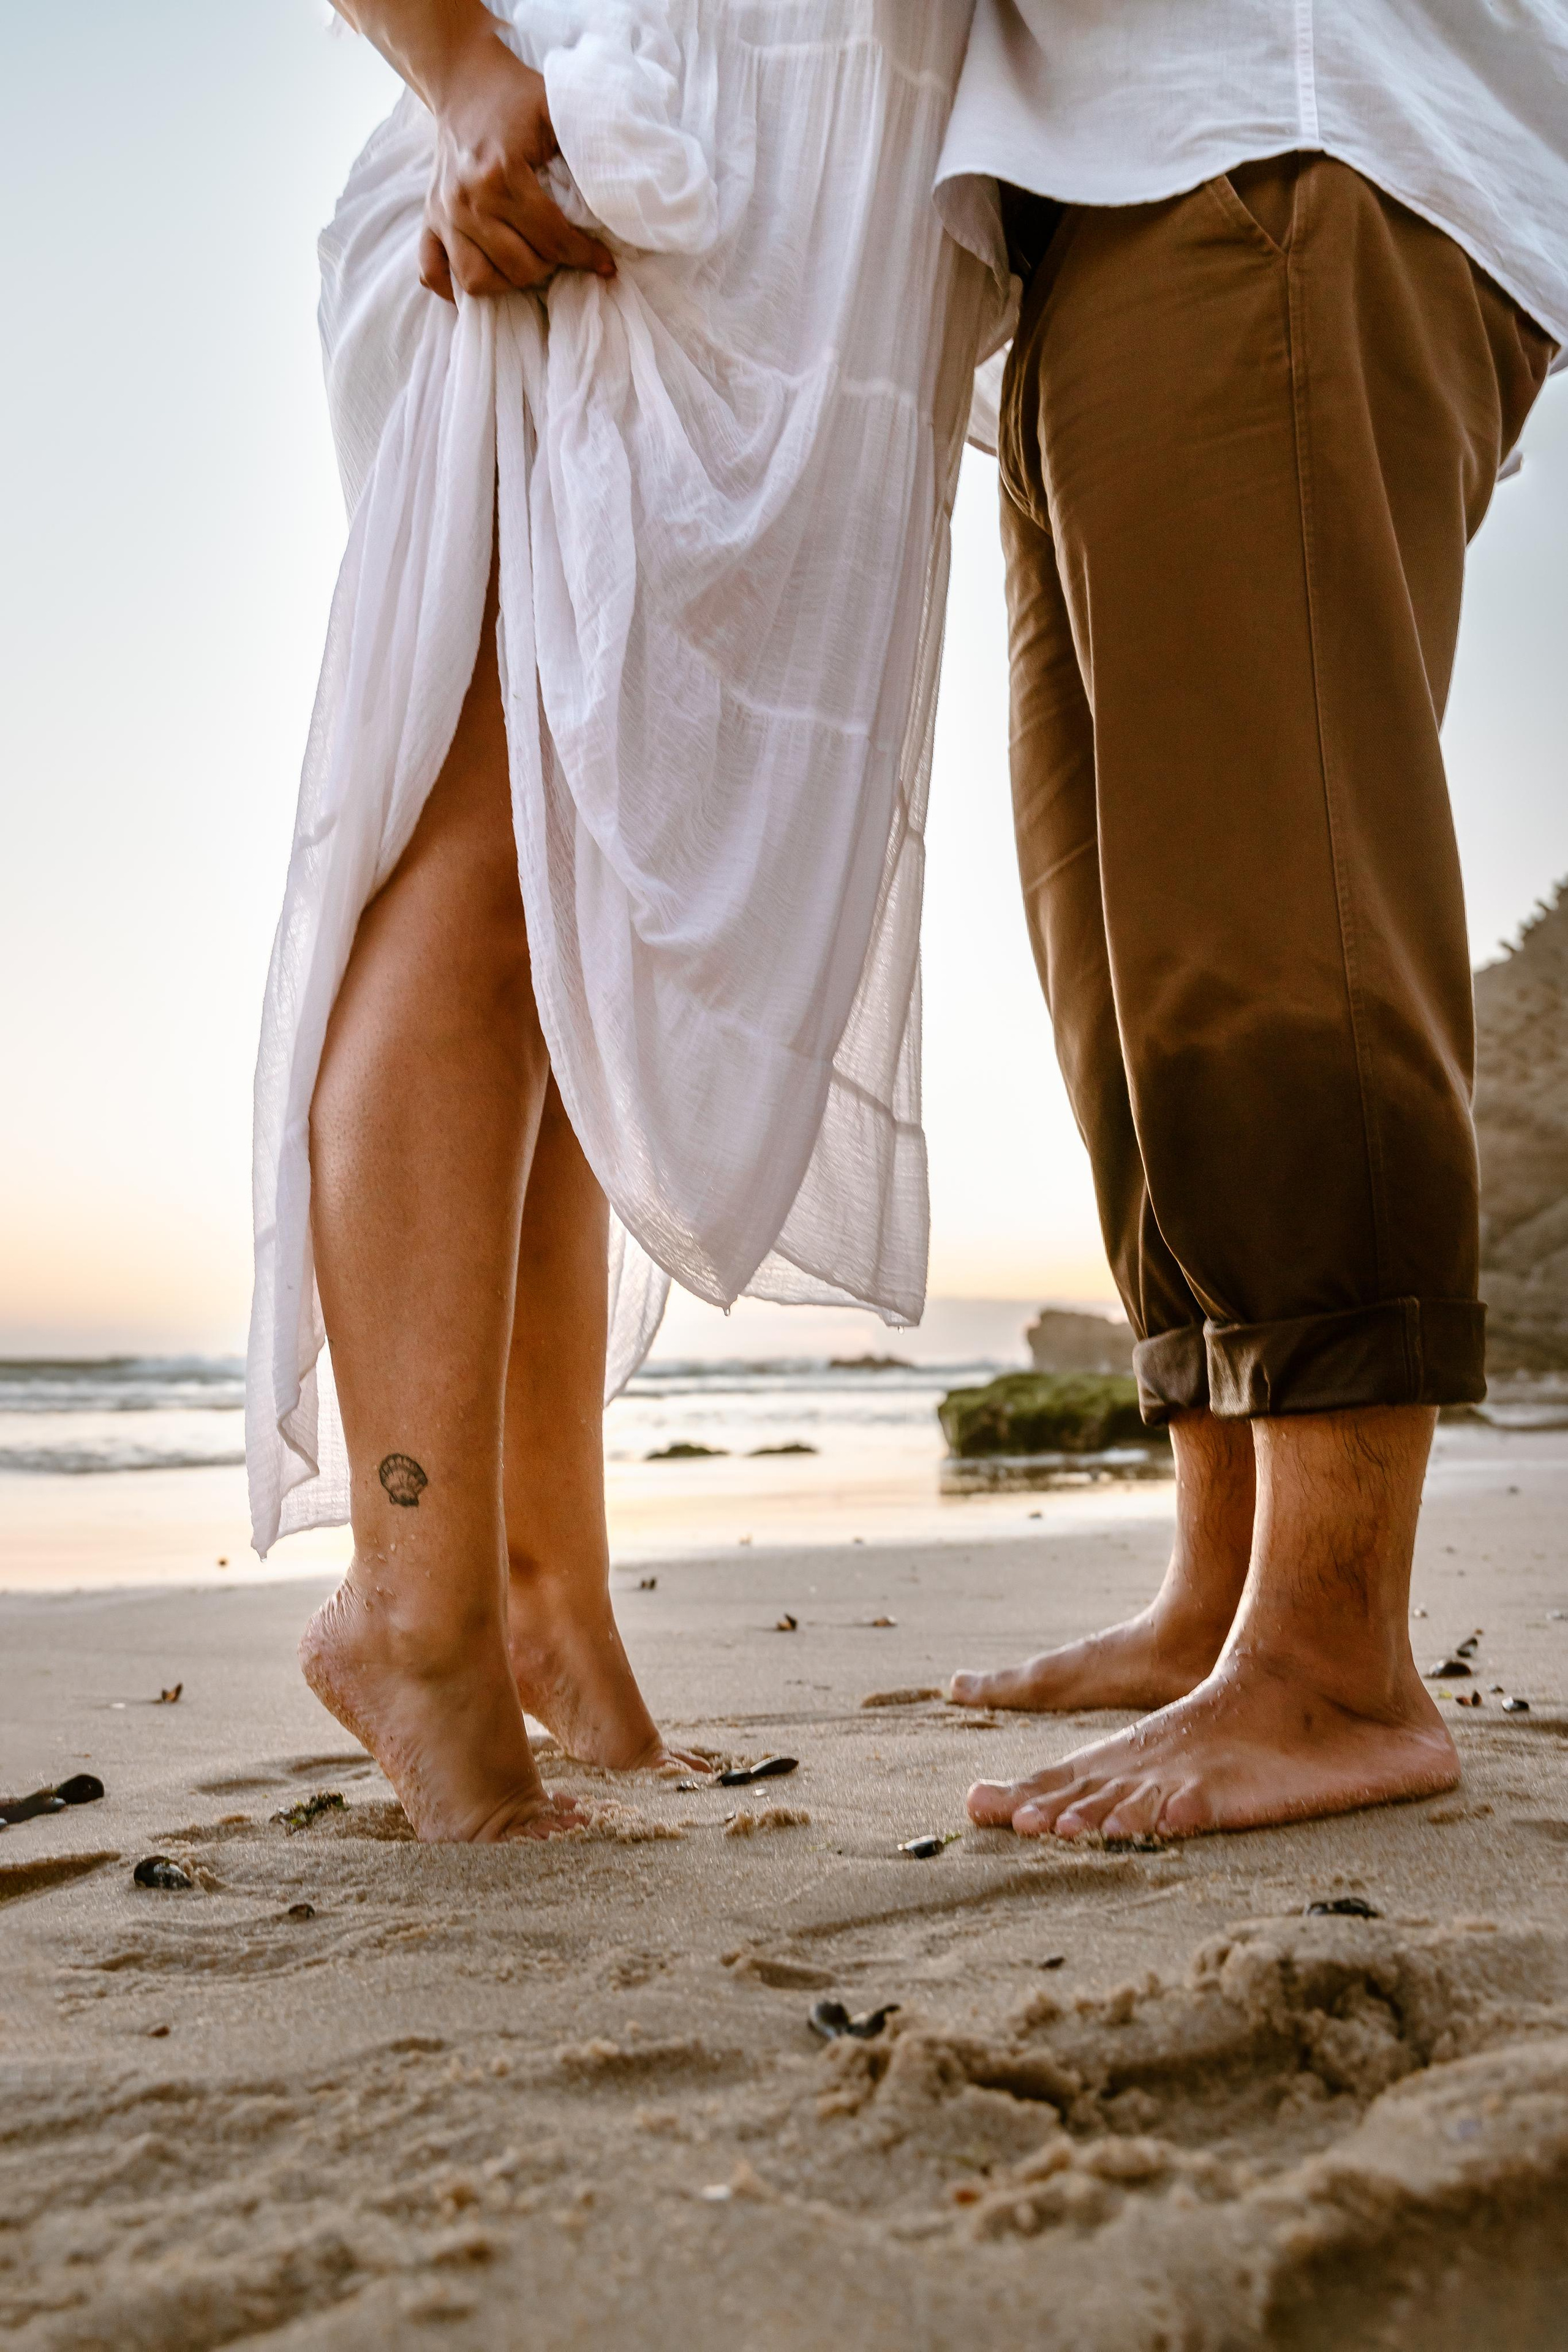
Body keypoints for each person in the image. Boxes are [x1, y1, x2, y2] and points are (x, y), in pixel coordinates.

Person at [246, 1, 1007, 1839]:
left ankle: (543, 1595)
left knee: (592, 941)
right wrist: (461, 67)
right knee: (501, 860)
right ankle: (415, 1613)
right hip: (595, 175)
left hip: (807, 228)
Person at [937, 2, 1566, 1841]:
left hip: (1268, 130)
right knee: (1122, 971)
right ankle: (1224, 1588)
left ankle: (1335, 1650)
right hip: (1083, 207)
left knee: (1272, 888)